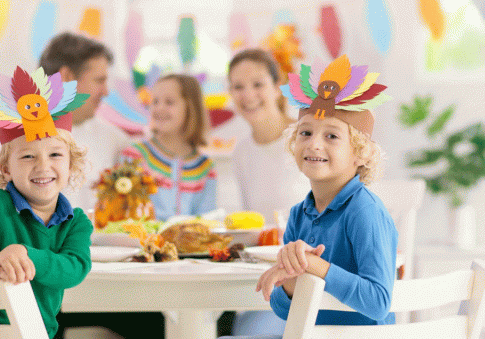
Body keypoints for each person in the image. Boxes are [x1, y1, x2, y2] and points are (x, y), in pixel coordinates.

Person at [222, 55, 398, 338]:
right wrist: (290, 283)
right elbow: (283, 310)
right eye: (305, 133)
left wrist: (315, 266)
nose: (314, 143)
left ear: (360, 153)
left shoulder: (365, 211)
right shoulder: (298, 215)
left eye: (332, 136)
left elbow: (378, 303)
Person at [0, 66, 93, 339]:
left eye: (55, 154)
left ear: (71, 166)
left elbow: (75, 268)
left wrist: (26, 254)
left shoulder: (76, 222)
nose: (43, 166)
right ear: (6, 169)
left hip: (40, 332)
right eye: (27, 157)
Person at [0, 32, 130, 218]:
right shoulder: (3, 140)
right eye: (99, 80)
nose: (106, 91)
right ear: (66, 77)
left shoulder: (113, 139)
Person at [226, 49, 311, 335]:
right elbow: (254, 223)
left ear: (277, 88)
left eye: (257, 84)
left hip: (308, 274)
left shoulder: (307, 139)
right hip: (264, 275)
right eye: (238, 87)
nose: (247, 94)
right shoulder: (242, 152)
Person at [121, 74, 217, 221]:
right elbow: (122, 212)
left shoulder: (205, 168)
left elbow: (207, 221)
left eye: (169, 102)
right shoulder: (135, 157)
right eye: (155, 101)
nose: (159, 108)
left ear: (191, 108)